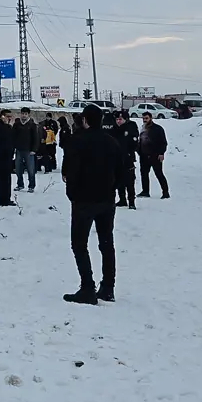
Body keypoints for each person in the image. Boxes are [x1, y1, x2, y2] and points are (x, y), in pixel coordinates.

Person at [61, 105, 125, 305]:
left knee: (79, 244)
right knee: (107, 243)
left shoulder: (78, 141)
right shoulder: (112, 142)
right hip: (106, 200)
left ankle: (87, 288)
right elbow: (122, 171)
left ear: (85, 120)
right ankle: (108, 287)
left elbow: (70, 172)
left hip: (83, 201)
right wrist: (112, 189)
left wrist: (72, 194)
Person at [137, 111, 170, 199]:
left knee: (159, 174)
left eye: (146, 118)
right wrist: (138, 150)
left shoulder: (158, 129)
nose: (145, 120)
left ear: (151, 118)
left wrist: (161, 153)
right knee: (144, 174)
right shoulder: (142, 128)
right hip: (144, 155)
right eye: (143, 118)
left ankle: (165, 192)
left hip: (155, 155)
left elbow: (163, 142)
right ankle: (145, 191)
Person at [110, 112, 139, 209]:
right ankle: (122, 199)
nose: (118, 121)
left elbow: (134, 142)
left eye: (120, 119)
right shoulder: (114, 130)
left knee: (130, 181)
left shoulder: (130, 127)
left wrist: (129, 152)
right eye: (117, 119)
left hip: (128, 158)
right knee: (119, 180)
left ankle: (131, 201)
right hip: (116, 160)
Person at [0, 109, 17, 206]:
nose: (9, 118)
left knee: (7, 179)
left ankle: (6, 198)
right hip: (0, 157)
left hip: (8, 157)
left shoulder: (8, 127)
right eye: (7, 116)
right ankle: (4, 199)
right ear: (2, 116)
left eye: (10, 116)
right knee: (3, 179)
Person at [12, 108, 39, 192]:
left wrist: (34, 149)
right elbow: (13, 137)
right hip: (19, 150)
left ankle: (31, 186)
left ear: (28, 115)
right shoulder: (17, 124)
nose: (24, 115)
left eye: (25, 114)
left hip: (29, 151)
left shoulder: (32, 125)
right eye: (22, 113)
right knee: (18, 169)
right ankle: (20, 184)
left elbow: (36, 138)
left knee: (31, 170)